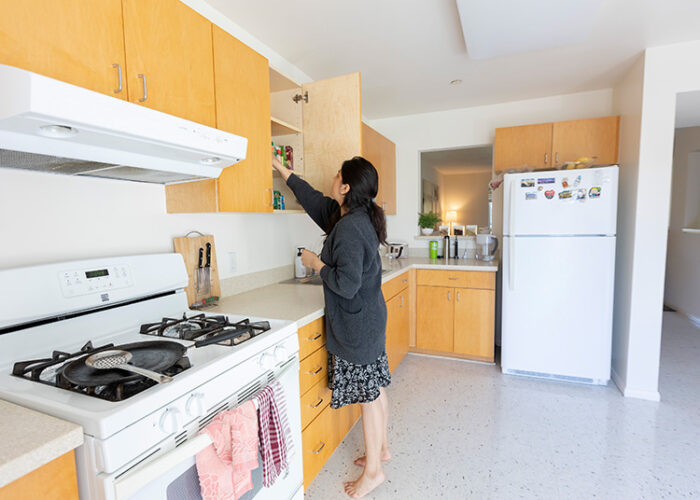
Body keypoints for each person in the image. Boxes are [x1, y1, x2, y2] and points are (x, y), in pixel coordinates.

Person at [272, 154, 391, 498]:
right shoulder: (349, 217)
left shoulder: (351, 227)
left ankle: (374, 472)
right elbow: (314, 201)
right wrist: (285, 172)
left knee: (369, 398)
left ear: (346, 186)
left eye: (337, 174)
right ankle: (381, 450)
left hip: (358, 326)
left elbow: (347, 283)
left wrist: (316, 264)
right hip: (367, 321)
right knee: (377, 388)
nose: (333, 177)